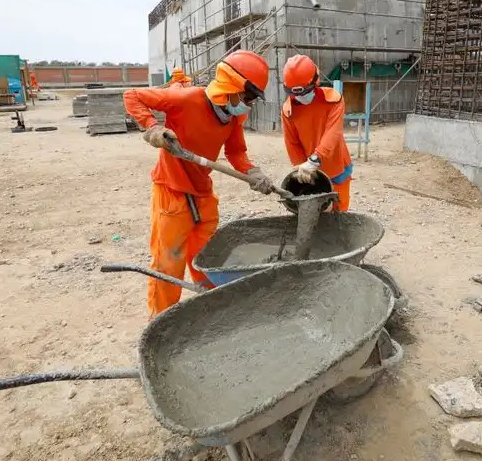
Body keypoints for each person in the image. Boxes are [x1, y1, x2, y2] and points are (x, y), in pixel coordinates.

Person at [123, 50, 276, 318]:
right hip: (172, 190)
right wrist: (153, 128)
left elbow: (236, 152)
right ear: (232, 86)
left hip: (202, 193)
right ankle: (161, 322)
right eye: (249, 95)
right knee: (168, 264)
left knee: (208, 259)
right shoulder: (185, 99)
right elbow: (132, 96)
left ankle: (209, 312)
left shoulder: (233, 116)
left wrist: (253, 172)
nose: (249, 104)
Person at [280, 54, 353, 211]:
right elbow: (292, 143)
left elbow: (333, 134)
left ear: (316, 82)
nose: (301, 97)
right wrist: (301, 166)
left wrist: (314, 160)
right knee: (315, 215)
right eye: (296, 94)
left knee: (339, 214)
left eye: (304, 92)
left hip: (337, 166)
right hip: (312, 174)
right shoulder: (288, 111)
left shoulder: (333, 100)